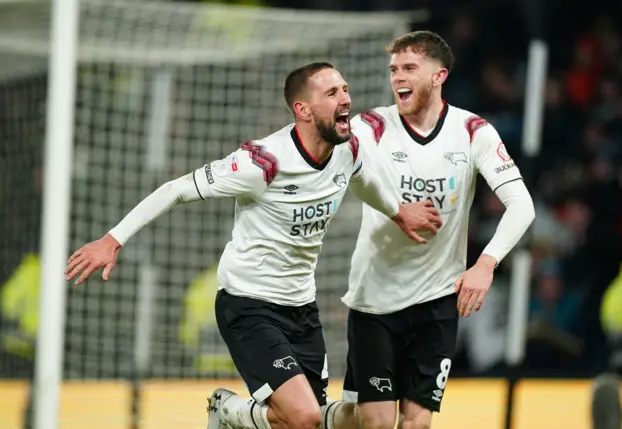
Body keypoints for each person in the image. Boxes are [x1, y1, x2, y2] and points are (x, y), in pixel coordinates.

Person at [64, 62, 442, 429]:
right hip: (249, 304)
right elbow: (175, 190)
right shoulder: (263, 162)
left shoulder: (348, 150)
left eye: (344, 89)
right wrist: (113, 239)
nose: (345, 98)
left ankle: (234, 414)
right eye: (332, 92)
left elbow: (363, 181)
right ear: (303, 110)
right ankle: (229, 410)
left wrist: (398, 213)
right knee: (306, 417)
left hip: (301, 306)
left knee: (304, 421)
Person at [321, 31, 536, 429]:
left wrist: (485, 264)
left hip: (437, 300)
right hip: (376, 300)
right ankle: (327, 419)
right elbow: (341, 168)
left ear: (439, 76)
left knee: (416, 423)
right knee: (376, 423)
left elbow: (522, 205)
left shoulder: (473, 132)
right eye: (393, 70)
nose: (398, 77)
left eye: (409, 68)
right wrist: (396, 210)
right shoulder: (373, 127)